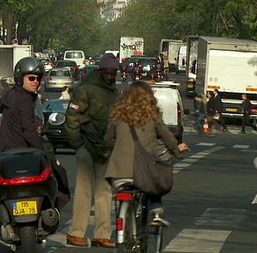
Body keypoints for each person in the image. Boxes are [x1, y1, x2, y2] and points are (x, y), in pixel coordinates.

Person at [0, 57, 47, 252]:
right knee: (57, 178)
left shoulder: (9, 96)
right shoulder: (25, 100)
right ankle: (50, 215)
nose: (36, 82)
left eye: (38, 78)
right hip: (25, 155)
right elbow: (29, 132)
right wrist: (43, 152)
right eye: (31, 78)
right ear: (20, 78)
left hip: (2, 154)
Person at [105, 81, 188, 222]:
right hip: (143, 173)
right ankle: (156, 211)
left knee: (123, 195)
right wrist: (177, 151)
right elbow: (167, 137)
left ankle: (124, 224)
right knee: (153, 184)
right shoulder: (152, 116)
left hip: (118, 174)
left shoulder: (117, 115)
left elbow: (107, 140)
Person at [65, 52, 120, 248]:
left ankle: (102, 234)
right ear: (100, 71)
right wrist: (78, 143)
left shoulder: (115, 93)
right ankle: (75, 232)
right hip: (86, 145)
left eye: (114, 73)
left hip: (105, 147)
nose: (111, 76)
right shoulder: (85, 89)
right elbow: (71, 116)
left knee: (104, 191)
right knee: (84, 190)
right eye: (108, 72)